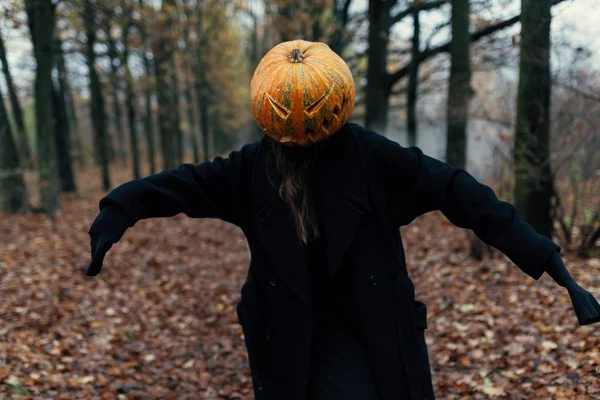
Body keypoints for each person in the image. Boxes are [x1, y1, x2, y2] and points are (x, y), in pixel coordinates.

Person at [86, 41, 600, 400]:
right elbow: (179, 184)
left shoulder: (374, 160)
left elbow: (462, 194)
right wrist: (118, 211)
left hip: (370, 335)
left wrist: (554, 266)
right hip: (288, 340)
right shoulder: (251, 169)